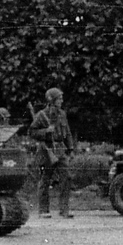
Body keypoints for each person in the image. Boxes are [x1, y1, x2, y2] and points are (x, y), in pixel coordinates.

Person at [29, 87, 76, 218]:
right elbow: (32, 132)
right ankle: (44, 210)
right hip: (46, 149)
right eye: (59, 98)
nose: (62, 100)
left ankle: (64, 210)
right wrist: (45, 132)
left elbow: (67, 133)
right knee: (45, 179)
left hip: (60, 149)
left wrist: (70, 149)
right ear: (51, 100)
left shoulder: (62, 114)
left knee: (66, 177)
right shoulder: (41, 115)